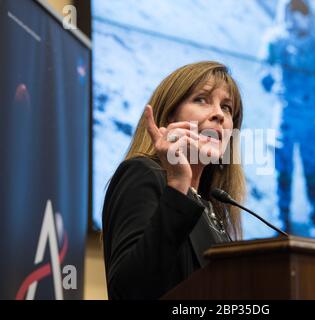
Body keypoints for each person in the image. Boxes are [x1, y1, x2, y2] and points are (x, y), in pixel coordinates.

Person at [101, 61, 246, 299]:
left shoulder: (213, 207)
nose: (220, 114)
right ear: (169, 116)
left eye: (227, 107)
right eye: (202, 99)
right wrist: (178, 184)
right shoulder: (143, 173)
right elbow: (127, 292)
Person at [260, 0, 315, 239]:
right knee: (283, 168)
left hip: (310, 121)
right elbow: (264, 69)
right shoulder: (277, 41)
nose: (298, 20)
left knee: (312, 169)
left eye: (302, 14)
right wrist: (269, 80)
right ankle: (282, 217)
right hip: (286, 115)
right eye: (294, 14)